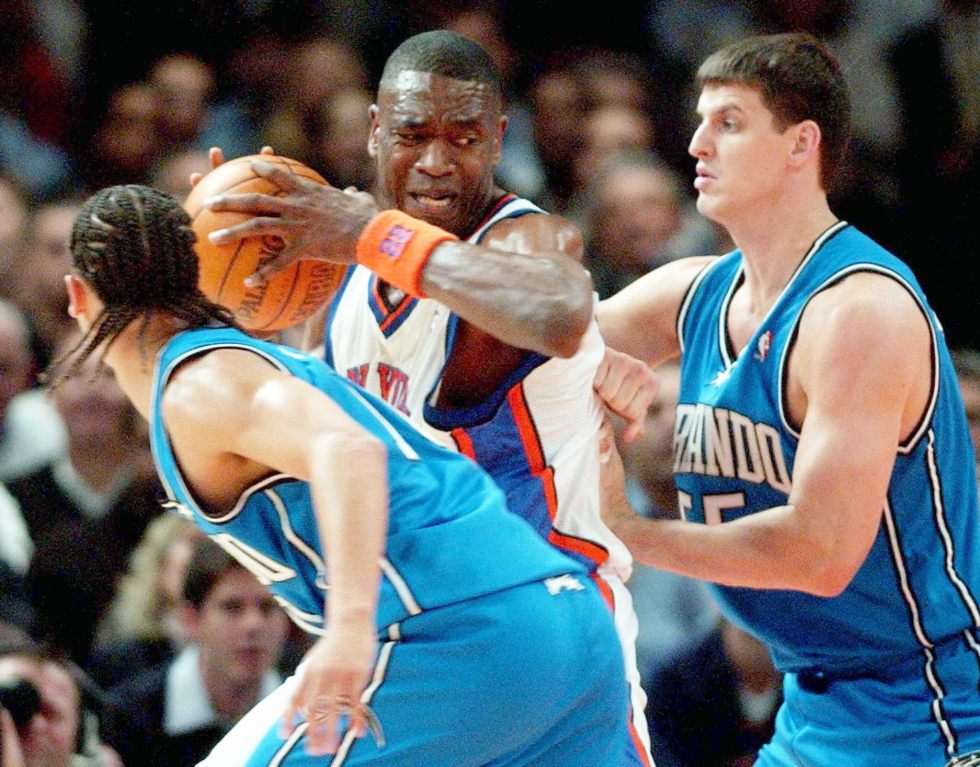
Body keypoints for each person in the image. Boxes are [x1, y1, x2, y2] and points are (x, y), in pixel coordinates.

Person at [55, 183, 628, 765]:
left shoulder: (200, 386)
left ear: (77, 296)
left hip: (457, 633)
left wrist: (349, 630)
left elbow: (348, 450)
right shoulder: (246, 367)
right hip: (569, 621)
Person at [201, 30, 655, 765]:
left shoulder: (524, 237)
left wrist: (369, 233)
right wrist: (217, 235)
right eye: (413, 134)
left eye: (464, 138)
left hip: (536, 615)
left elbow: (560, 312)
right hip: (426, 627)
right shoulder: (335, 279)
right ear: (376, 131)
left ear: (500, 140)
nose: (438, 162)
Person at [595, 32, 980, 766]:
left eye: (729, 122)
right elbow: (548, 342)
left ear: (802, 145)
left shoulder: (858, 309)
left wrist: (628, 530)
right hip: (812, 703)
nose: (698, 142)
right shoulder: (699, 291)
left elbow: (820, 553)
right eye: (700, 119)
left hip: (933, 709)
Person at [103, 536, 289, 767]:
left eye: (268, 607)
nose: (253, 625)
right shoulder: (127, 718)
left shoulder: (312, 713)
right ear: (190, 618)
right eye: (232, 607)